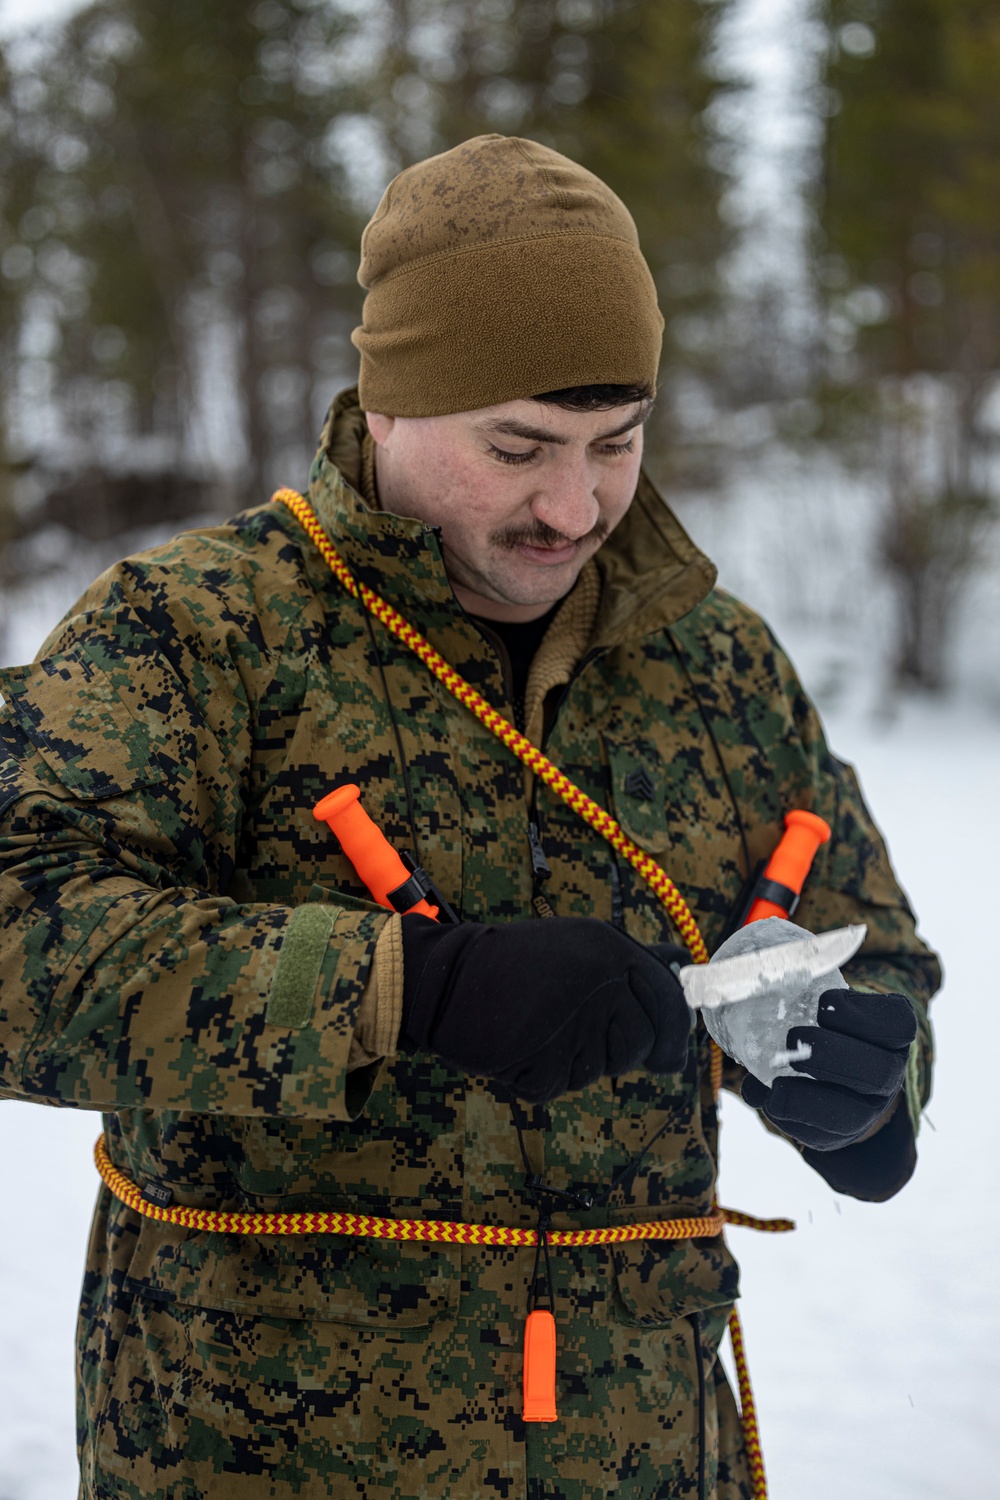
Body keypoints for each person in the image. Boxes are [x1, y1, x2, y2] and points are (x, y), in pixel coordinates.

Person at [0, 135, 939, 1500]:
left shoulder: (715, 661)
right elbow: (18, 942)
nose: (574, 506)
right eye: (519, 447)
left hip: (646, 1458)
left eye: (617, 444)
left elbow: (878, 953)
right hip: (260, 1459)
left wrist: (873, 1097)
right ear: (386, 405)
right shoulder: (198, 631)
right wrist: (405, 993)